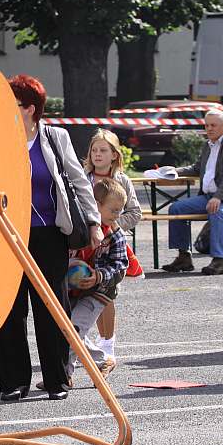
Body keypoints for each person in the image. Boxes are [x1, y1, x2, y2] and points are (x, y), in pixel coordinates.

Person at [0, 74, 101, 402]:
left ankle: (57, 379)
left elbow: (79, 182)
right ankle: (13, 382)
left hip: (49, 234)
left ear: (31, 109)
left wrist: (93, 222)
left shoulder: (55, 138)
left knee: (52, 307)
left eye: (14, 104)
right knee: (9, 309)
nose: (6, 109)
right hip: (5, 235)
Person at [42, 178, 129, 390]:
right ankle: (102, 360)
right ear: (95, 205)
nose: (117, 215)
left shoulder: (115, 235)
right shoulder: (79, 228)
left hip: (101, 291)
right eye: (113, 210)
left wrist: (98, 276)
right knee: (68, 329)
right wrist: (73, 265)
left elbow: (121, 266)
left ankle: (65, 375)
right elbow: (64, 255)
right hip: (76, 290)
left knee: (73, 328)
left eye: (120, 211)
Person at [162, 109, 223, 275]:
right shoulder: (207, 145)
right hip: (209, 197)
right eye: (207, 125)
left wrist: (219, 197)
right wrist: (172, 171)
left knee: (216, 209)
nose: (209, 129)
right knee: (176, 208)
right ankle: (184, 257)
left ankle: (219, 261)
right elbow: (196, 168)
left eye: (213, 125)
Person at [82, 129, 141, 358]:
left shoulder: (121, 180)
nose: (98, 154)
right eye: (94, 150)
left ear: (114, 154)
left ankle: (107, 343)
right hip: (85, 244)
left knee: (107, 293)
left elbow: (135, 212)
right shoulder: (82, 177)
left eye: (103, 150)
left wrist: (113, 225)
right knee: (82, 290)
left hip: (111, 246)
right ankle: (82, 341)